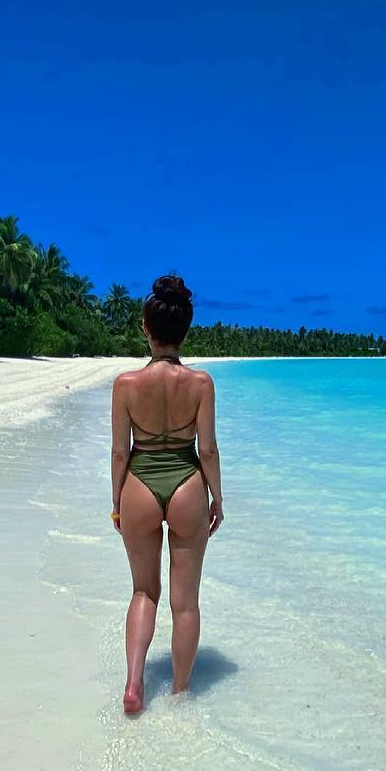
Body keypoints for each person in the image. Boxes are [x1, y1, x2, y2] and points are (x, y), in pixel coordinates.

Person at [110, 275, 223, 715]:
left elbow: (120, 451)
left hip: (138, 482)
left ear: (146, 328)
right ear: (186, 330)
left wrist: (117, 501)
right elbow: (207, 449)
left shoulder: (125, 384)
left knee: (143, 591)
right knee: (185, 602)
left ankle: (134, 683)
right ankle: (179, 696)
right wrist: (217, 498)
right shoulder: (201, 384)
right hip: (187, 484)